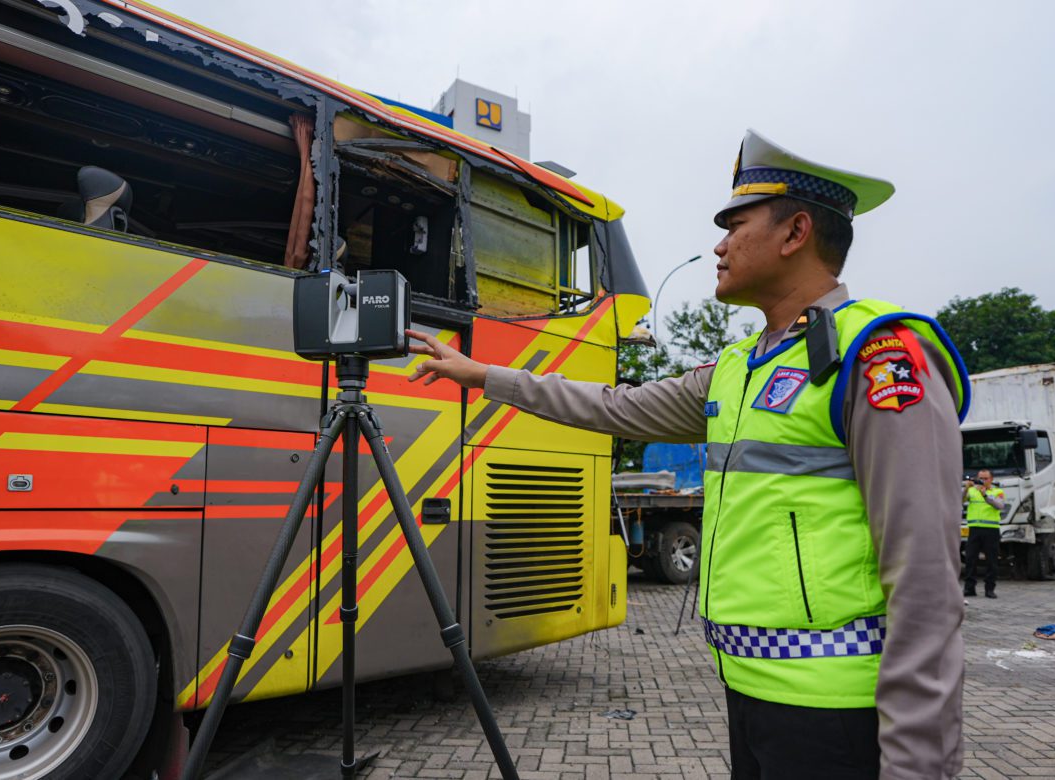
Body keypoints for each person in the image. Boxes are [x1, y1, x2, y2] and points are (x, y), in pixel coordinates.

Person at [407, 130, 970, 780]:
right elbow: (612, 406)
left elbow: (925, 582)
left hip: (836, 712)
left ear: (796, 233)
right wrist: (483, 375)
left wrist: (918, 764)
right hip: (749, 695)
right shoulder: (739, 367)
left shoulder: (876, 354)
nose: (720, 245)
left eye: (735, 225)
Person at [962, 469, 1006, 598]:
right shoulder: (972, 491)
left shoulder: (997, 491)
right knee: (970, 559)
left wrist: (985, 495)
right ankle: (969, 588)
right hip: (974, 529)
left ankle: (989, 589)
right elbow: (958, 501)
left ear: (991, 479)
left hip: (991, 529)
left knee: (992, 561)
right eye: (980, 478)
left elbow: (1000, 505)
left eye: (986, 478)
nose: (983, 481)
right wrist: (966, 488)